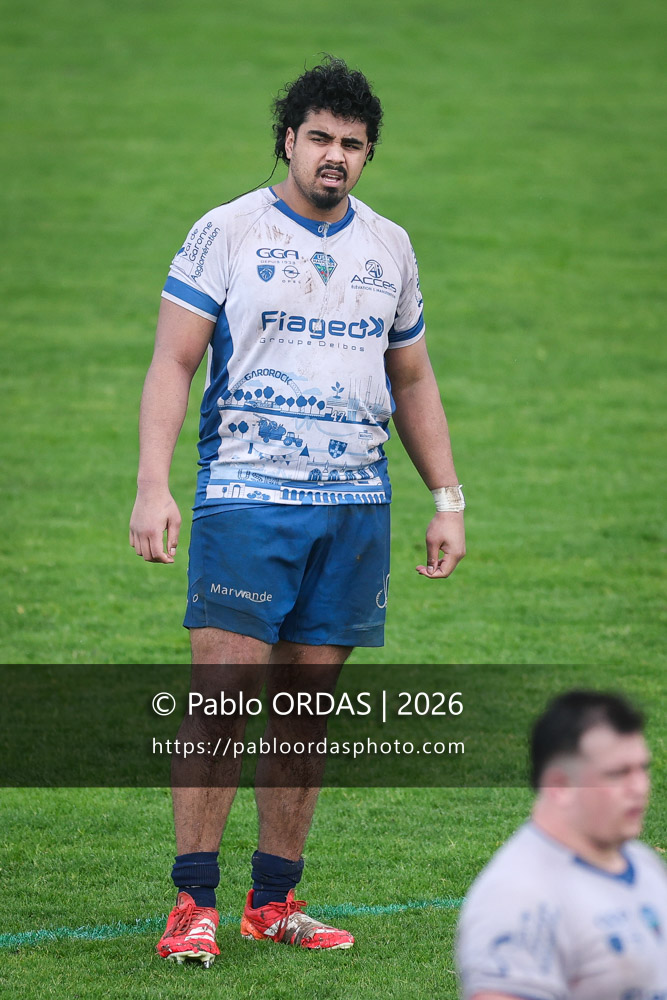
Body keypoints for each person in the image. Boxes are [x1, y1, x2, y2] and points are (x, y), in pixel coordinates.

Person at [129, 56, 466, 966]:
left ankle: (272, 901)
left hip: (354, 509)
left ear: (367, 156)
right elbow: (172, 362)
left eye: (353, 145)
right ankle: (191, 905)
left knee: (305, 714)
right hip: (245, 502)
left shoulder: (388, 247)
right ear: (287, 138)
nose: (335, 157)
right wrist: (153, 484)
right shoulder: (226, 232)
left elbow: (413, 376)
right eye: (319, 137)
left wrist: (447, 499)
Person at [456, 689, 667, 1000]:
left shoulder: (642, 862)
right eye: (618, 773)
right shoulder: (520, 899)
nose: (639, 788)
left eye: (643, 769)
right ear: (561, 786)